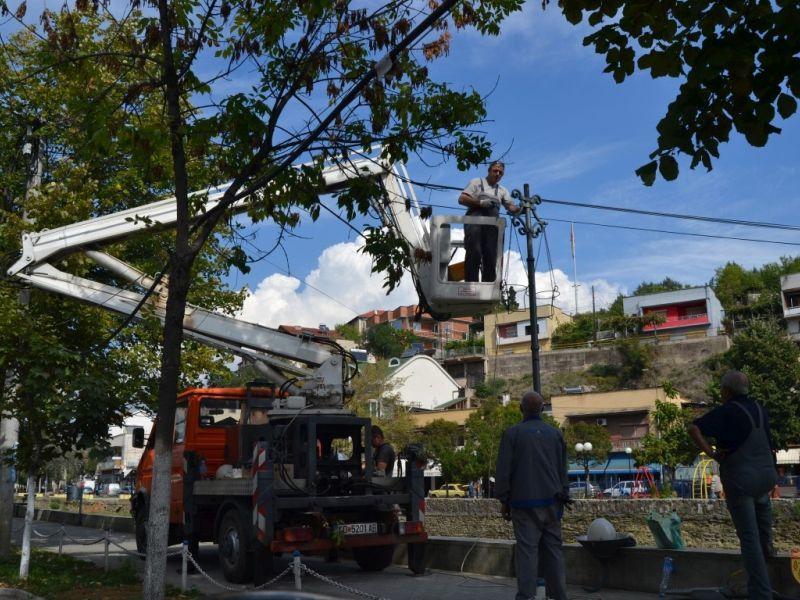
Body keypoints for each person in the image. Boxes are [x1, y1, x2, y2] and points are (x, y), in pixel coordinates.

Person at [688, 371, 777, 600]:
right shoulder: (760, 409)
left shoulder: (727, 410)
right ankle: (768, 542)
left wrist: (711, 453)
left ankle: (761, 593)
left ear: (726, 391)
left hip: (741, 478)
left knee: (749, 539)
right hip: (766, 475)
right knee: (762, 509)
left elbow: (694, 428)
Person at [495, 390, 569, 600]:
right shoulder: (556, 434)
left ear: (521, 409)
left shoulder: (512, 434)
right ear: (543, 409)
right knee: (554, 551)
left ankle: (527, 596)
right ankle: (558, 595)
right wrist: (564, 493)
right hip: (553, 503)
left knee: (527, 552)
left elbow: (503, 471)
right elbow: (563, 469)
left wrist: (503, 500)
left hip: (524, 503)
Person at [458, 161, 520, 283]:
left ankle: (489, 285)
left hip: (491, 226)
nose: (498, 174)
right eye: (495, 171)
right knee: (474, 251)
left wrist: (521, 208)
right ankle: (471, 284)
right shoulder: (476, 183)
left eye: (500, 172)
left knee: (491, 254)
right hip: (474, 222)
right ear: (489, 170)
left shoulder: (502, 190)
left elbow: (510, 206)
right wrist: (480, 202)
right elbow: (462, 198)